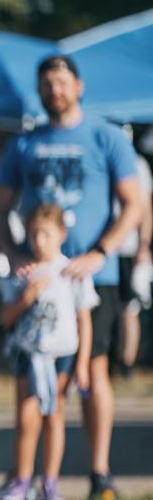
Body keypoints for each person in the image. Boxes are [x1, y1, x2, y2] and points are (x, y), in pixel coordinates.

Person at [0, 55, 141, 500]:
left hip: (93, 276)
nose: (53, 90)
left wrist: (100, 252)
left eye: (61, 82)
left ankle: (99, 471)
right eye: (45, 84)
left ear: (78, 85)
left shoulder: (106, 136)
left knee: (92, 370)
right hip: (41, 283)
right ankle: (30, 477)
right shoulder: (24, 145)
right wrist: (15, 254)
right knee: (36, 381)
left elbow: (133, 204)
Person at [0, 204, 97, 500]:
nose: (40, 240)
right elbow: (6, 318)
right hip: (29, 351)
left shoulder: (72, 272)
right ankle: (22, 481)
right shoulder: (21, 272)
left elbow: (84, 319)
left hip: (62, 353)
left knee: (54, 416)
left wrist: (82, 364)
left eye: (46, 233)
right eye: (34, 233)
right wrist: (26, 295)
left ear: (61, 235)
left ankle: (50, 482)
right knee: (27, 418)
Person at [113, 127, 152, 376]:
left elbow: (145, 209)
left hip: (127, 247)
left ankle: (126, 363)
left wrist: (143, 246)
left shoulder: (137, 165)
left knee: (129, 308)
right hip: (101, 249)